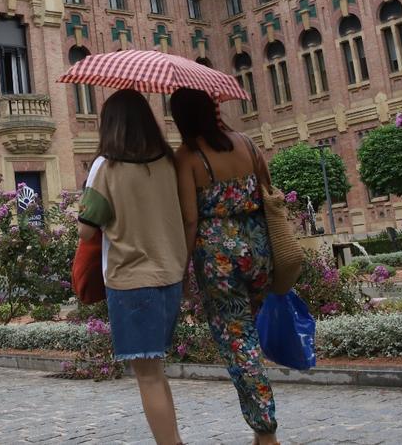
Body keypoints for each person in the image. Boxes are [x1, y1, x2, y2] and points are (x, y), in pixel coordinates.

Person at [170, 88, 281, 444]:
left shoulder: (188, 156)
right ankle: (262, 428)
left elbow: (189, 219)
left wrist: (184, 268)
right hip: (260, 246)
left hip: (218, 257)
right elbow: (268, 192)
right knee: (253, 332)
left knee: (238, 340)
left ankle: (265, 431)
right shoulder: (247, 143)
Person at [77, 90, 188, 445]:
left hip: (131, 280)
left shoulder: (104, 166)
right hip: (171, 276)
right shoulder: (168, 162)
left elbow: (86, 228)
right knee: (157, 370)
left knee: (148, 375)